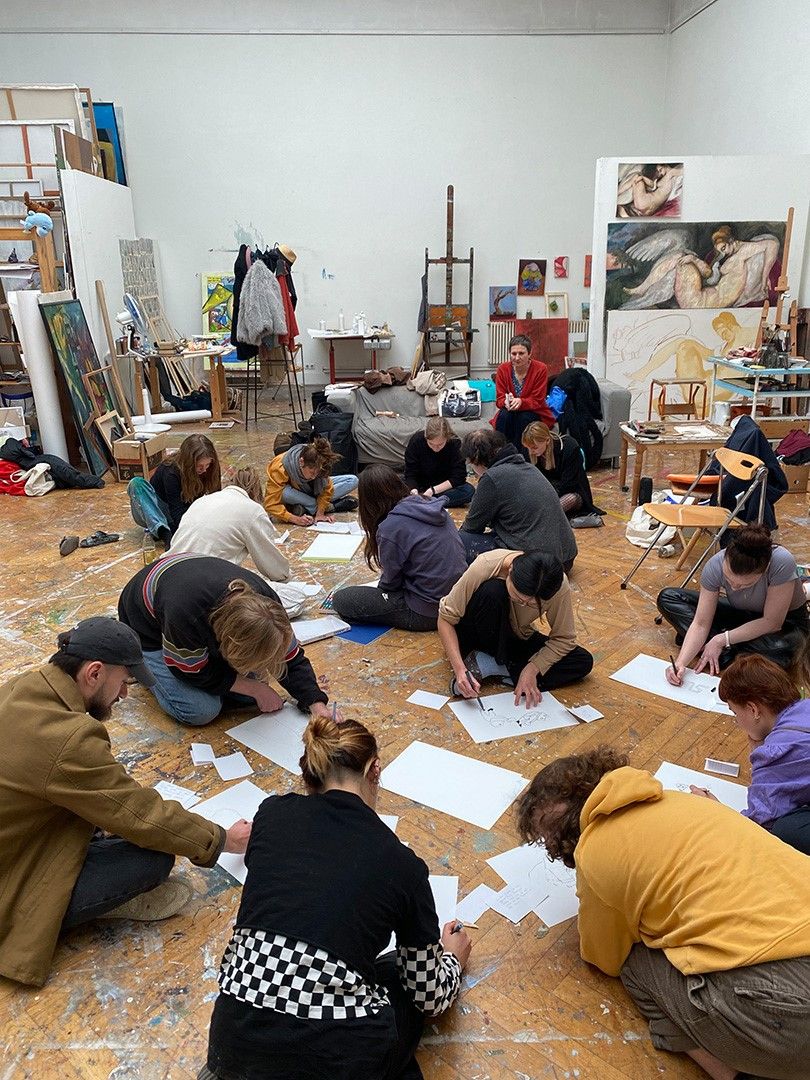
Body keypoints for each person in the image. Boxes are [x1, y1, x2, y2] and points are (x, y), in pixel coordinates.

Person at [201, 714, 471, 1080]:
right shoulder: (401, 864)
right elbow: (429, 996)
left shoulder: (271, 813)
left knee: (346, 965)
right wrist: (452, 960)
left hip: (231, 1047)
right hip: (336, 1061)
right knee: (398, 973)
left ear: (311, 773)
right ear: (375, 770)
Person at [517, 748, 810, 1080]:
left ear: (558, 835)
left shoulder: (595, 850)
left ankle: (734, 1073)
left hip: (792, 1012)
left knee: (637, 966)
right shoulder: (680, 801)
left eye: (546, 839)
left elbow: (602, 956)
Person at [0, 617, 251, 988]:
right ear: (95, 673)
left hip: (15, 837)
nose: (124, 695)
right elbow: (138, 813)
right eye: (124, 682)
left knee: (101, 825)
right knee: (151, 858)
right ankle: (63, 912)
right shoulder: (68, 739)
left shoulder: (25, 685)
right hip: (10, 876)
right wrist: (220, 839)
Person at [118, 553, 334, 727]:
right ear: (230, 644)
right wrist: (255, 689)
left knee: (252, 690)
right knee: (201, 710)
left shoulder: (267, 607)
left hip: (190, 592)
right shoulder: (186, 616)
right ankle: (139, 663)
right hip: (147, 629)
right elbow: (189, 670)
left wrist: (315, 703)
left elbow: (290, 657)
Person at [689, 655, 810, 856]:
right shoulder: (804, 707)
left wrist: (714, 809)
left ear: (753, 709)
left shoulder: (776, 753)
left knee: (786, 829)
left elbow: (756, 828)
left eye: (735, 713)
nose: (736, 721)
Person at [659, 524, 809, 683]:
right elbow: (701, 623)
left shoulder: (781, 561)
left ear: (764, 571)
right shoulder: (715, 564)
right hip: (742, 614)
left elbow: (772, 623)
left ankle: (716, 646)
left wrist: (720, 640)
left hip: (785, 623)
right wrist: (680, 663)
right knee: (669, 597)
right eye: (729, 581)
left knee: (784, 650)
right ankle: (725, 649)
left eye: (745, 585)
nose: (734, 588)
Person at [438, 550, 593, 703]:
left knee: (581, 661)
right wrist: (459, 670)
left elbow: (564, 639)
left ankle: (492, 666)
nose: (523, 605)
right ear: (511, 571)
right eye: (518, 599)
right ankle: (487, 664)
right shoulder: (485, 565)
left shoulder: (557, 585)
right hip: (477, 633)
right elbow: (445, 619)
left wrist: (532, 669)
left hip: (514, 636)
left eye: (530, 604)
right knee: (492, 591)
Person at [332, 466, 467, 632]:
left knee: (342, 599)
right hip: (458, 600)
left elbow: (391, 583)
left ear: (369, 501)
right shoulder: (430, 504)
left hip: (428, 611)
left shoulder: (391, 526)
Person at [170, 466, 306, 618]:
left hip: (170, 574)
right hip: (203, 587)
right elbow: (275, 568)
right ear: (255, 492)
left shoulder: (202, 501)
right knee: (294, 597)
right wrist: (285, 578)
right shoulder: (252, 509)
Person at [458, 427, 577, 571]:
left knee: (458, 542)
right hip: (566, 557)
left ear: (476, 459)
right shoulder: (528, 467)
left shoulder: (492, 478)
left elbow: (471, 527)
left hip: (539, 565)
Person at [128, 433, 222, 544]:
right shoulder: (170, 471)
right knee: (136, 483)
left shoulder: (211, 468)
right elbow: (176, 509)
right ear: (189, 463)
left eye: (207, 465)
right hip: (160, 512)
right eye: (199, 466)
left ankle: (171, 530)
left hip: (187, 512)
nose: (204, 469)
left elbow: (217, 498)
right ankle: (163, 531)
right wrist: (179, 536)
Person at [522, 421, 603, 528]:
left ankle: (540, 519)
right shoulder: (531, 451)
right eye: (529, 448)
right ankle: (538, 517)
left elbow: (569, 484)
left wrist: (546, 496)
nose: (531, 452)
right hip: (547, 491)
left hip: (572, 492)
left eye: (535, 448)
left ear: (547, 440)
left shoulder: (569, 447)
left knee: (568, 500)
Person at [264, 437, 358, 526]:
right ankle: (328, 506)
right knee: (284, 493)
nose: (314, 477)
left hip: (312, 493)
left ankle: (309, 508)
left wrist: (320, 514)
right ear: (301, 462)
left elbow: (327, 488)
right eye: (312, 472)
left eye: (317, 473)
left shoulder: (318, 460)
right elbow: (270, 504)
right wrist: (295, 519)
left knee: (352, 480)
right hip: (296, 494)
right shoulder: (280, 466)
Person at [491, 334, 555, 456]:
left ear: (529, 353)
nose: (517, 357)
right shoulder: (502, 369)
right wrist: (505, 402)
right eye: (513, 354)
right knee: (504, 416)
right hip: (510, 411)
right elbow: (499, 399)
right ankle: (500, 456)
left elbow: (538, 400)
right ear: (509, 353)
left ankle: (522, 458)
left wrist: (521, 402)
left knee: (524, 418)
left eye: (521, 353)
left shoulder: (540, 369)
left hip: (534, 411)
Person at [403, 417, 474, 509]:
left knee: (468, 491)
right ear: (426, 437)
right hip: (420, 485)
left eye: (440, 444)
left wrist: (432, 490)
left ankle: (423, 502)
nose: (435, 448)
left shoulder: (455, 443)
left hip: (443, 487)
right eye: (431, 444)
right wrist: (413, 490)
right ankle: (428, 501)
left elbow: (458, 477)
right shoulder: (416, 441)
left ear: (447, 438)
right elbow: (410, 473)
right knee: (392, 486)